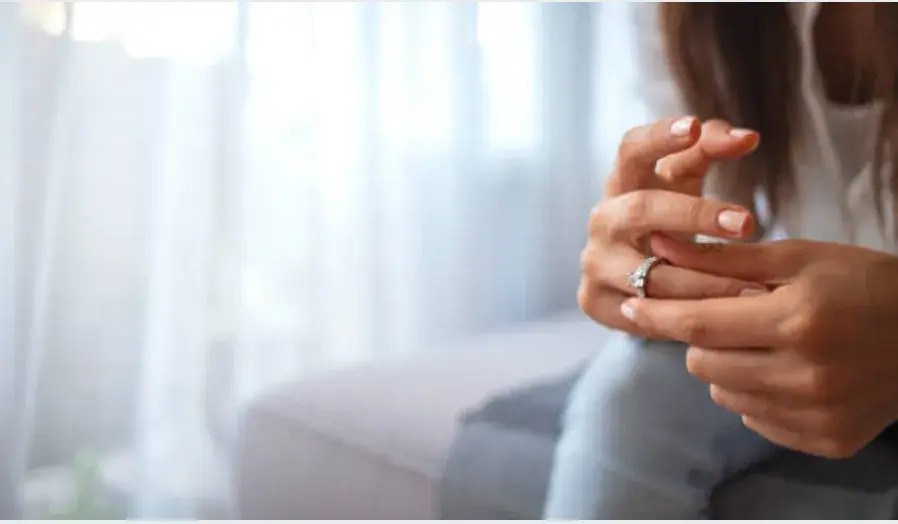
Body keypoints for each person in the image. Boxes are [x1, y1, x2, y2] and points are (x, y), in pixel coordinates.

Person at [544, 2, 898, 519]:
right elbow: (697, 192)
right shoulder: (692, 15)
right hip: (801, 335)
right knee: (635, 392)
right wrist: (655, 267)